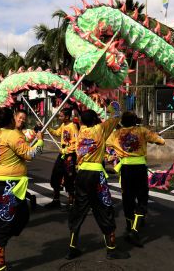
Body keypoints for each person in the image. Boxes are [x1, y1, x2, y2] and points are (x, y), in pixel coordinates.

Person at [0, 107, 44, 271]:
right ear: (11, 119)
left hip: (2, 185)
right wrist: (40, 141)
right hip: (7, 186)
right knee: (5, 223)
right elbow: (30, 154)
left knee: (21, 217)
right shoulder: (12, 135)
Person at [66, 104, 130, 261]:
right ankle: (111, 250)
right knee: (105, 209)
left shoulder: (80, 132)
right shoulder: (100, 129)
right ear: (95, 119)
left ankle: (72, 248)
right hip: (96, 176)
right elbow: (117, 115)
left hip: (81, 175)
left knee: (79, 210)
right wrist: (111, 105)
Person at [106, 112, 165, 247]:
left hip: (125, 168)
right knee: (142, 198)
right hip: (139, 168)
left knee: (128, 198)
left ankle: (129, 226)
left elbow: (106, 144)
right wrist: (155, 137)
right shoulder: (142, 131)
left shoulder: (116, 134)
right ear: (135, 121)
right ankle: (134, 230)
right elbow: (161, 141)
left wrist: (112, 155)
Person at [45, 108, 78, 210]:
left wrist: (67, 150)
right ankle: (56, 200)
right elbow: (57, 133)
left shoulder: (73, 127)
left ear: (67, 117)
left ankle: (71, 202)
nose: (59, 118)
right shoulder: (63, 125)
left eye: (61, 116)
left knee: (69, 178)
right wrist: (48, 128)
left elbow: (76, 143)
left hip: (69, 156)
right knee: (56, 175)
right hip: (62, 155)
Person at [14, 109, 37, 210]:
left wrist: (39, 141)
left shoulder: (26, 133)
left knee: (17, 189)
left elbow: (32, 153)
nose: (22, 120)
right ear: (15, 117)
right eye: (20, 118)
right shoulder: (8, 130)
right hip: (7, 165)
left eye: (24, 119)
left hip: (19, 166)